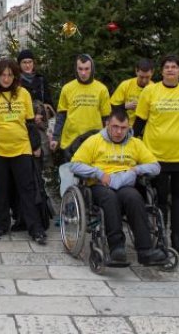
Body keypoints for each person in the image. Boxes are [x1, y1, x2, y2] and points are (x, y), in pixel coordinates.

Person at [69, 110, 168, 266]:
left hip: (125, 183)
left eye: (123, 128)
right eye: (115, 127)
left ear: (128, 127)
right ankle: (116, 247)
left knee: (134, 197)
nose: (118, 131)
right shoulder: (94, 141)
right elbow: (74, 165)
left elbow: (155, 167)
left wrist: (137, 170)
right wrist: (98, 173)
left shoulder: (135, 143)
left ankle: (145, 251)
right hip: (100, 184)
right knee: (109, 198)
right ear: (107, 124)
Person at [134, 55, 179, 255]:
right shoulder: (150, 91)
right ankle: (161, 236)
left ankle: (176, 237)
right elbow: (140, 122)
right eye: (167, 67)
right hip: (156, 155)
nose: (170, 70)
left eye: (175, 67)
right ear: (161, 71)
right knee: (160, 198)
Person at [0, 58, 47, 244]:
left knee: (27, 189)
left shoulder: (23, 93)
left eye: (10, 74)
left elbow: (29, 122)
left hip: (21, 148)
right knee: (0, 190)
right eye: (3, 74)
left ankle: (35, 228)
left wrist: (35, 146)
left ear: (15, 76)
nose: (6, 78)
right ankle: (1, 225)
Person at [52, 54, 111, 162]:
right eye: (80, 69)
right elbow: (61, 115)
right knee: (71, 177)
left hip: (94, 141)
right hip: (70, 141)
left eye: (87, 69)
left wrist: (109, 140)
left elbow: (106, 118)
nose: (83, 73)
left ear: (92, 68)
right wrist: (56, 137)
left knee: (92, 177)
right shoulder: (67, 88)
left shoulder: (102, 89)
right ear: (76, 69)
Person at [109, 59, 154, 124]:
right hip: (124, 127)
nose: (144, 80)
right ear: (136, 71)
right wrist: (125, 106)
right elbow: (111, 107)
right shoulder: (126, 85)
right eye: (141, 77)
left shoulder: (154, 89)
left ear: (152, 73)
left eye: (147, 77)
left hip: (145, 128)